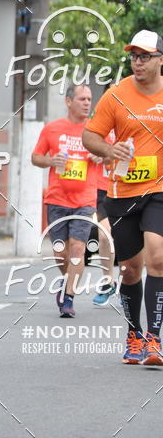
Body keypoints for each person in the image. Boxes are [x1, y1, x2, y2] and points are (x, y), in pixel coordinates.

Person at [83, 30, 163, 366]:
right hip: (122, 191)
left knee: (157, 257)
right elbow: (90, 135)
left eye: (145, 56)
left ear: (161, 59)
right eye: (134, 56)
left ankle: (155, 339)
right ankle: (134, 333)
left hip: (159, 189)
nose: (138, 62)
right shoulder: (116, 95)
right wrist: (108, 148)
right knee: (130, 269)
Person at [31, 84, 99, 318]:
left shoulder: (96, 130)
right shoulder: (52, 129)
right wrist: (51, 161)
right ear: (69, 101)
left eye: (89, 99)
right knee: (61, 253)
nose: (87, 103)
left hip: (85, 198)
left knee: (78, 249)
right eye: (82, 98)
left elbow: (111, 157)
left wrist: (100, 155)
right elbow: (36, 157)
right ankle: (66, 282)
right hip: (57, 199)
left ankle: (68, 297)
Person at [91, 128, 116, 306]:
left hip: (128, 188)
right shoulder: (100, 124)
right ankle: (108, 282)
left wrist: (107, 156)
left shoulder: (134, 120)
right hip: (102, 190)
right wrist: (94, 154)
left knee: (129, 239)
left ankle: (129, 286)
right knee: (104, 235)